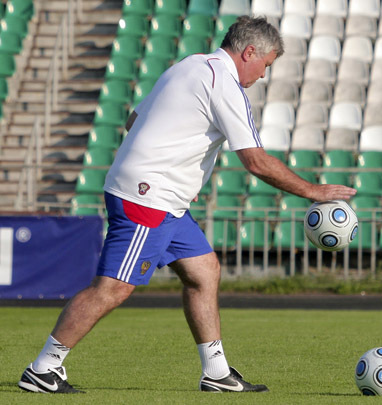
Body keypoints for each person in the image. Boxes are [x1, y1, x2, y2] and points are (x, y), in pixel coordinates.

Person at [18, 16, 357, 394]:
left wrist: (176, 164)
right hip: (148, 198)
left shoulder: (188, 65)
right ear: (249, 52)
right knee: (112, 289)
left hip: (165, 198)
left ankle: (216, 372)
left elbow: (133, 120)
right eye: (266, 64)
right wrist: (313, 191)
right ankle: (44, 367)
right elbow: (256, 161)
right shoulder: (224, 84)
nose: (264, 75)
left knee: (204, 272)